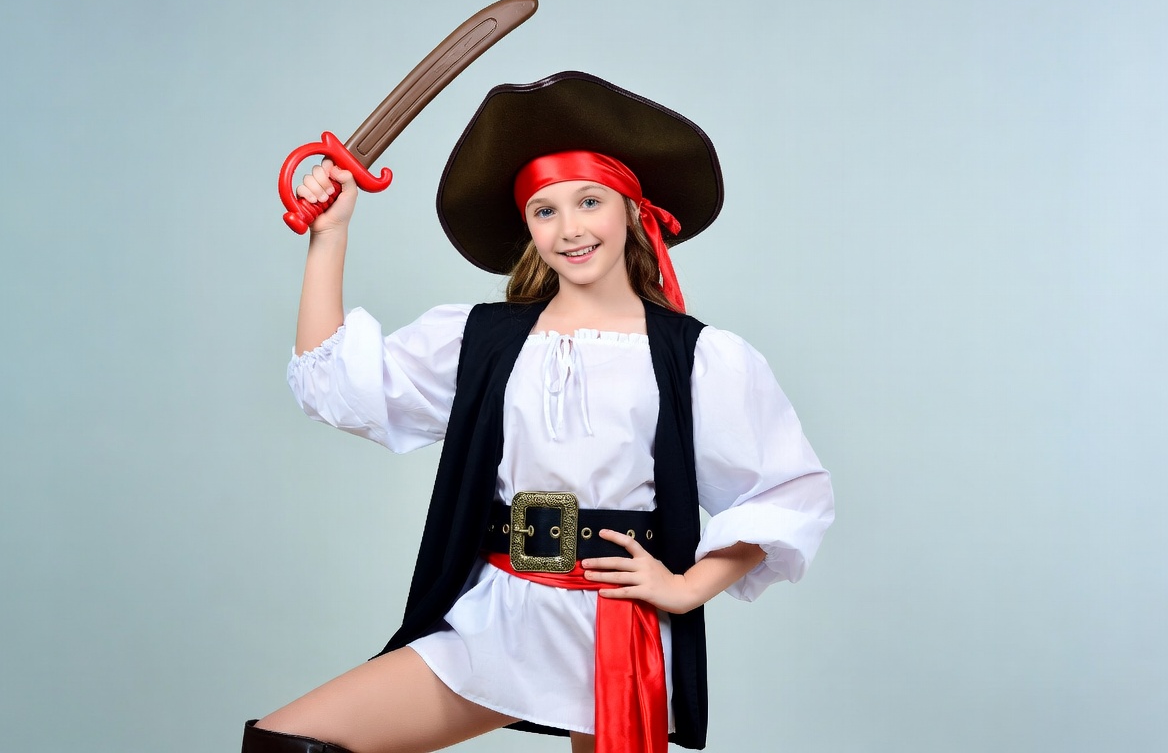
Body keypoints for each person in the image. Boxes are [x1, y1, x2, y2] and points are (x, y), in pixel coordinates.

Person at [243, 72, 834, 753]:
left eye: (589, 201)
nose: (570, 228)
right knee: (289, 743)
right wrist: (330, 237)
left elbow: (786, 493)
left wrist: (685, 587)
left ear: (633, 212)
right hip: (501, 612)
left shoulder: (696, 357)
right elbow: (338, 388)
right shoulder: (480, 339)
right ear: (527, 227)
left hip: (619, 621)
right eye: (545, 210)